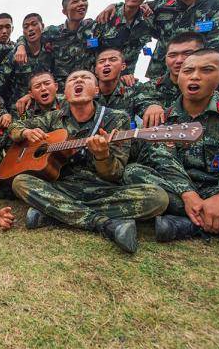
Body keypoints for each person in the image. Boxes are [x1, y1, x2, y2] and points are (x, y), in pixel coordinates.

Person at [9, 70, 168, 253]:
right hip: (62, 186)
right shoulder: (53, 117)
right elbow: (14, 126)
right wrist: (25, 132)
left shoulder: (117, 119)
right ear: (65, 94)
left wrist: (102, 156)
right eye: (73, 79)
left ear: (97, 91)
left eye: (85, 78)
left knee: (158, 198)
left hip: (102, 190)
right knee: (20, 182)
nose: (78, 81)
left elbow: (114, 173)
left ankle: (54, 214)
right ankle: (104, 224)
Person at [146, 50, 219, 247]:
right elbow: (164, 160)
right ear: (178, 77)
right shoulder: (163, 117)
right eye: (188, 71)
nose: (195, 76)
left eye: (206, 70)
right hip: (182, 190)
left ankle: (187, 225)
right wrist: (188, 194)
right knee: (135, 173)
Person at [140, 32, 219, 127]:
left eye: (187, 53)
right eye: (173, 55)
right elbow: (137, 99)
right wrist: (151, 105)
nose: (179, 60)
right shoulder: (151, 87)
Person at [14, 0, 95, 91]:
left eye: (84, 0)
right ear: (64, 11)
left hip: (88, 87)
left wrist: (113, 6)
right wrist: (20, 47)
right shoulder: (54, 32)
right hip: (62, 91)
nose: (81, 4)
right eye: (75, 1)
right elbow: (28, 35)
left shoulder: (93, 27)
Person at [92, 0, 154, 85]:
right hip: (101, 80)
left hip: (126, 81)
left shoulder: (148, 20)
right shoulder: (106, 17)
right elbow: (90, 51)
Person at [0, 13, 55, 106]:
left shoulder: (51, 48)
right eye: (26, 27)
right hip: (23, 108)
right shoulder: (15, 53)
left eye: (34, 24)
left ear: (42, 26)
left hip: (48, 104)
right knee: (23, 119)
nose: (30, 29)